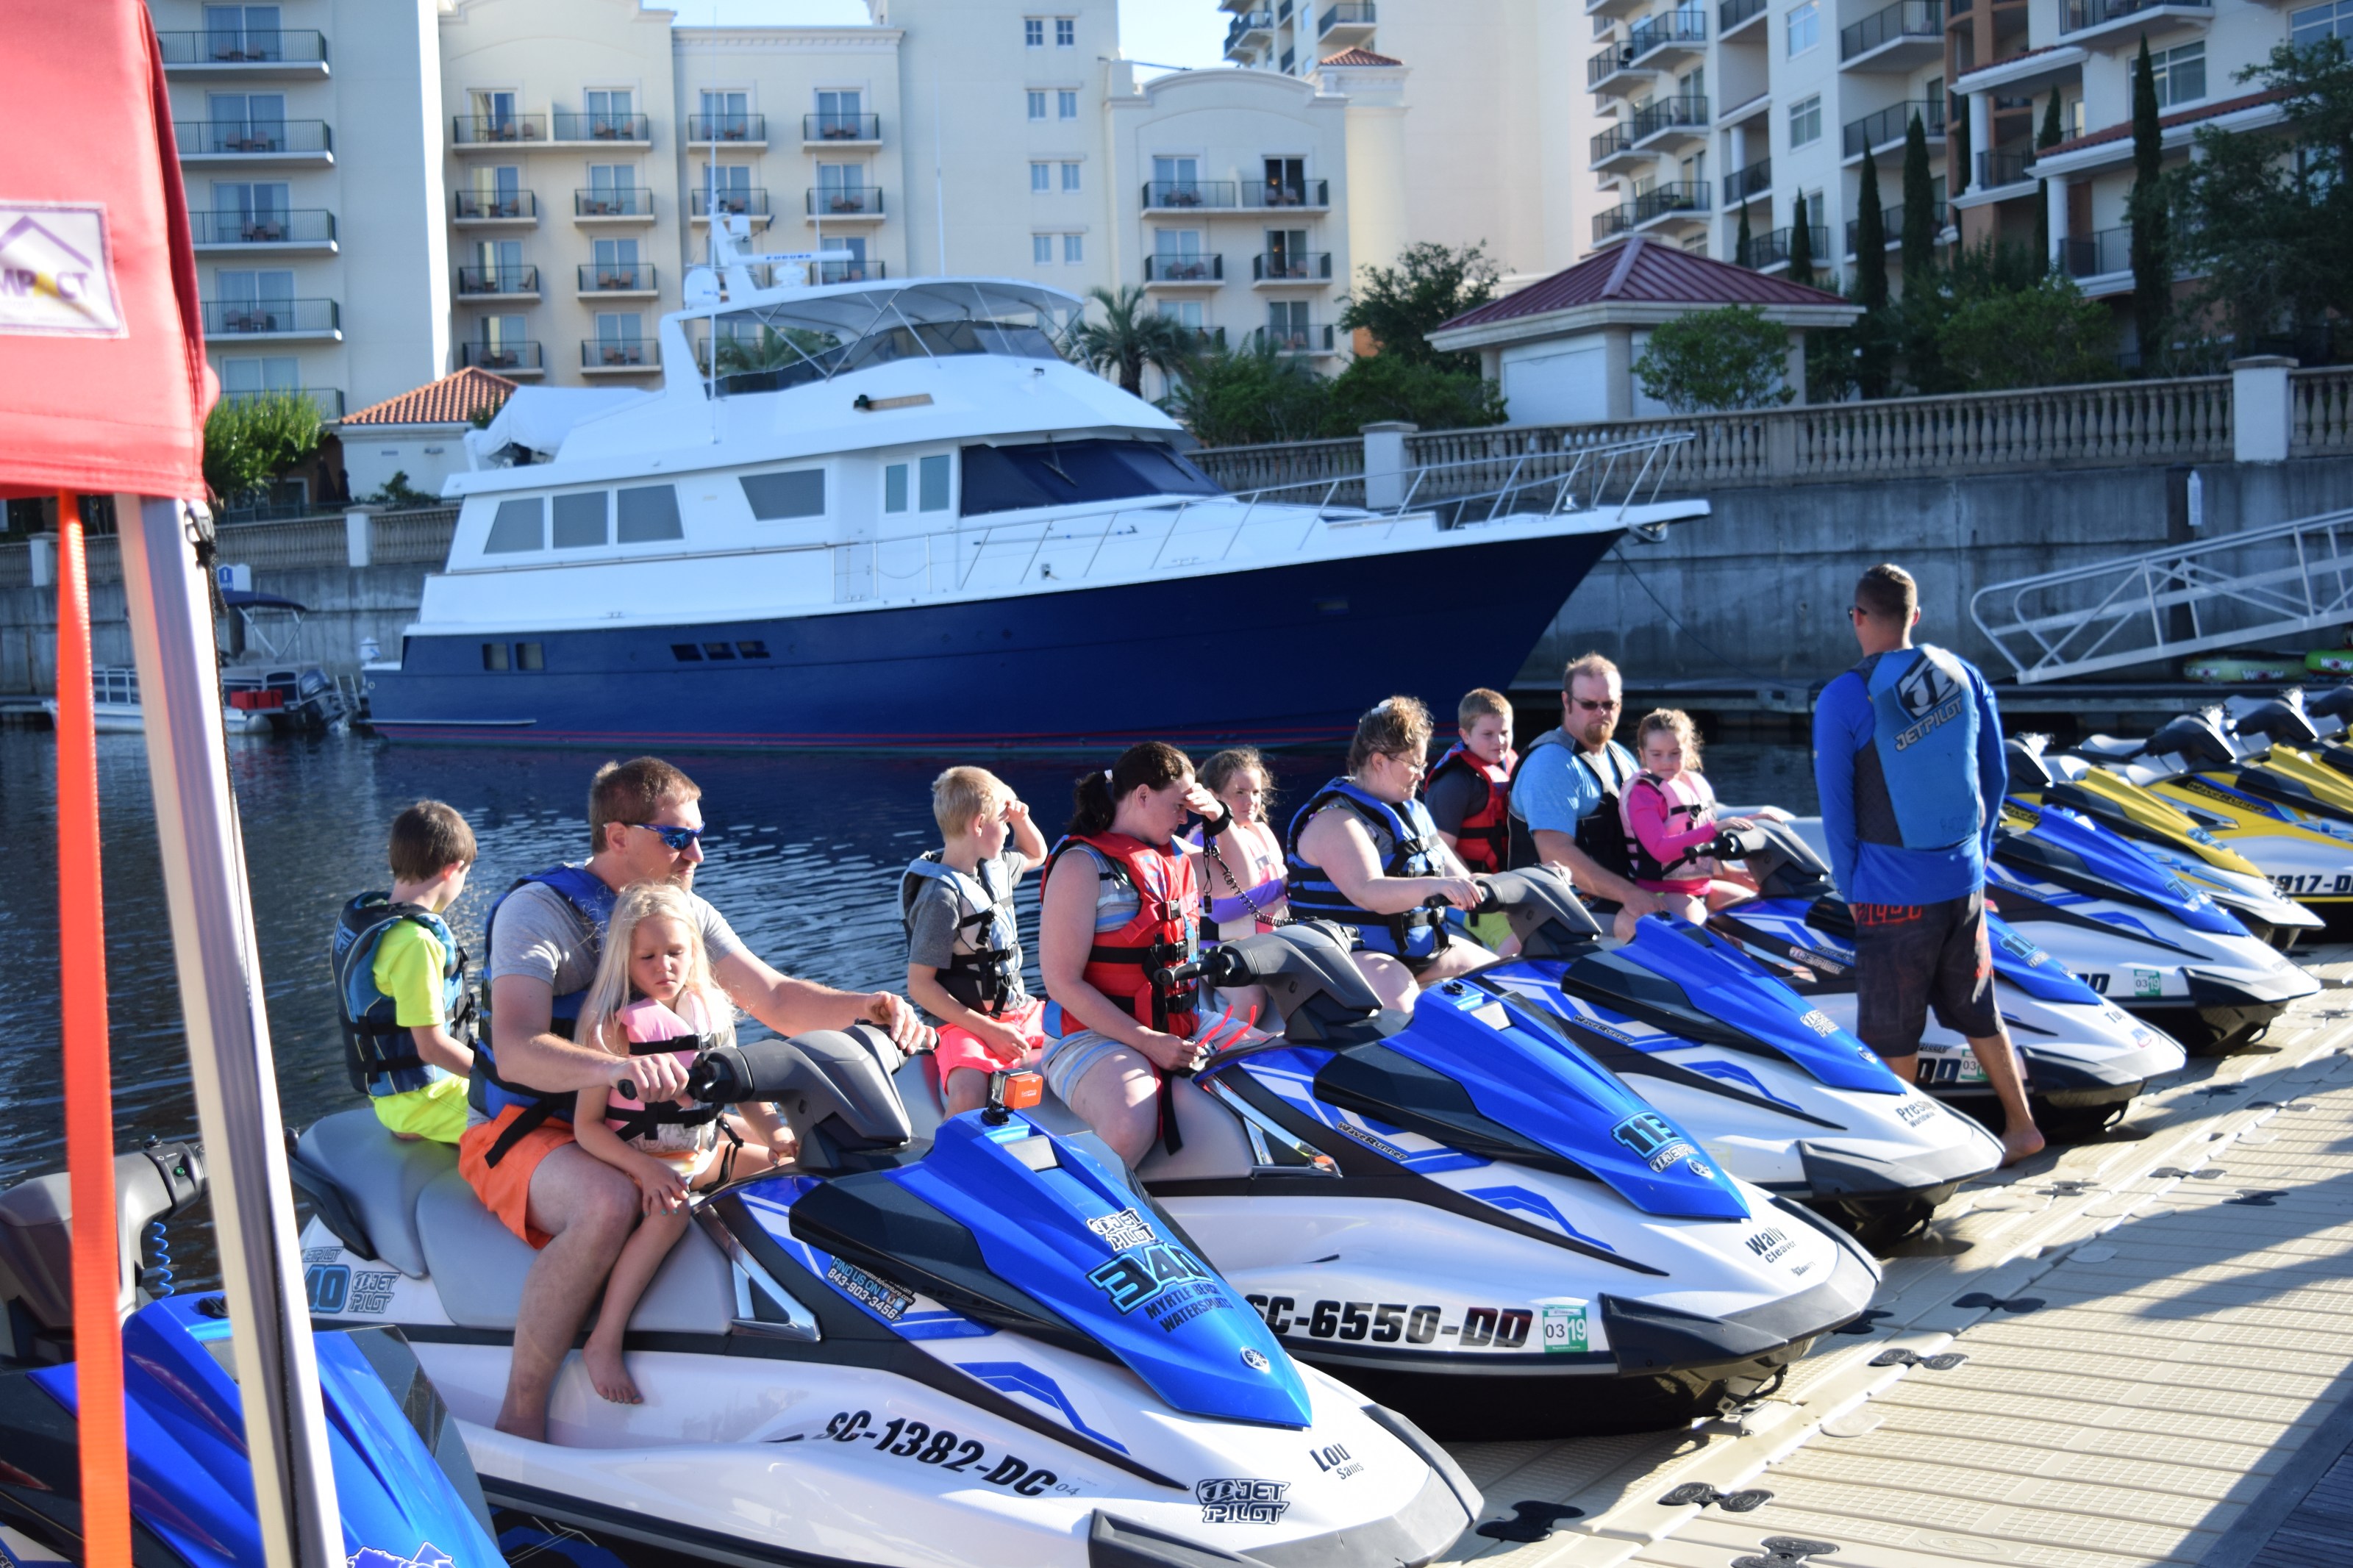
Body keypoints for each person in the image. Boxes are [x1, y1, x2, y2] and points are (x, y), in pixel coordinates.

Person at [467, 756, 930, 1442]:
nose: (697, 854)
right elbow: (516, 1046)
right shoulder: (537, 914)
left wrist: (869, 1005)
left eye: (698, 836)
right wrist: (618, 1069)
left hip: (654, 1122)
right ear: (618, 836)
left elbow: (775, 999)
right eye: (678, 837)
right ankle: (522, 1413)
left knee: (808, 1165)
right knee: (609, 1202)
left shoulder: (683, 914)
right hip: (538, 1124)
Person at [1815, 563, 2043, 1165]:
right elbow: (1995, 776)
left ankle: (1911, 1158)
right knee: (1977, 1007)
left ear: (1857, 617)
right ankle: (2022, 1125)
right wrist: (1977, 855)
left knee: (1892, 1030)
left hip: (1891, 893)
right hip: (1962, 881)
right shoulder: (1966, 675)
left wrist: (1852, 888)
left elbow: (1838, 811)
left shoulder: (1845, 695)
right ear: (1916, 616)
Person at [569, 881, 791, 1405]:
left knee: (793, 1171)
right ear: (625, 960)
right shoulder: (611, 1028)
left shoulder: (709, 1012)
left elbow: (743, 1095)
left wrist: (779, 1135)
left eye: (675, 952)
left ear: (694, 950)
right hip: (638, 1164)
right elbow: (587, 1127)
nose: (664, 966)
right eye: (647, 956)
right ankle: (605, 1339)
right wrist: (645, 1171)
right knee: (669, 1214)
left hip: (702, 1154)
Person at [1038, 743, 1260, 1166]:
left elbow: (1245, 879)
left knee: (1275, 1064)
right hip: (1091, 1035)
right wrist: (1148, 1042)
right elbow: (1061, 982)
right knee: (1130, 1123)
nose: (1185, 818)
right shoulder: (1081, 864)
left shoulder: (1174, 854)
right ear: (1142, 795)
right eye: (1178, 806)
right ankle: (1078, 1204)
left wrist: (1219, 816)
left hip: (1181, 1023)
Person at [1286, 697, 1489, 1005]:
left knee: (1501, 978)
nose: (1421, 775)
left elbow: (1460, 879)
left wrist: (1521, 884)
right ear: (1379, 761)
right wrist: (1436, 887)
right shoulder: (1336, 820)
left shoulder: (1413, 812)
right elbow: (1368, 892)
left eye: (1423, 765)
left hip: (1421, 951)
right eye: (1414, 765)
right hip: (1351, 953)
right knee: (1406, 1008)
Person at [331, 801, 481, 1145]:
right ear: (453, 869)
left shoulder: (371, 921)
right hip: (426, 1100)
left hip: (398, 1101)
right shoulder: (415, 943)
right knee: (544, 1120)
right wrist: (501, 1079)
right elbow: (431, 1047)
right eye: (466, 875)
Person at [903, 766, 1050, 1117]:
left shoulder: (996, 867)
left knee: (1083, 1035)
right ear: (980, 825)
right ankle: (951, 1151)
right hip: (963, 1024)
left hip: (1019, 1011)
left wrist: (1021, 819)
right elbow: (919, 986)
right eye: (1005, 821)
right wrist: (988, 1030)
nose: (1009, 829)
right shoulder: (941, 898)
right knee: (969, 1092)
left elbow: (1037, 854)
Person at [1506, 653, 1664, 941]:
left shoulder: (1621, 757)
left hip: (1618, 896)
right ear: (1567, 702)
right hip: (1561, 909)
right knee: (1658, 934)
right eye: (1589, 704)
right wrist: (1631, 894)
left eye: (1609, 704)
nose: (1600, 712)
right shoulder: (1552, 765)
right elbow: (1555, 852)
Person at [1619, 709, 1754, 924]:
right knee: (1697, 932)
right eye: (1656, 754)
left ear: (1688, 751)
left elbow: (1706, 840)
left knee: (1759, 908)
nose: (1667, 761)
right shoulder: (1643, 795)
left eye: (1675, 753)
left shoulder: (1692, 783)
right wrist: (1713, 829)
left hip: (1703, 889)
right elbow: (1660, 850)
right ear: (1643, 755)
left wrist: (1756, 820)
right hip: (1663, 894)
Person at [1192, 748, 1288, 1024]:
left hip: (1263, 946)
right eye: (1240, 793)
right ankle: (1214, 1050)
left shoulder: (1261, 832)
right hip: (1215, 949)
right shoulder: (1203, 840)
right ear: (1213, 797)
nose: (1251, 801)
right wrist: (1280, 887)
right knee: (1250, 1001)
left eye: (1256, 792)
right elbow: (1220, 913)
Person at [1424, 688, 1516, 876]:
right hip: (1471, 884)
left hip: (1508, 880)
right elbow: (1440, 850)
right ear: (1465, 735)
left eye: (1505, 732)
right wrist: (1475, 886)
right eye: (1488, 734)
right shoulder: (1454, 782)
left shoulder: (1515, 766)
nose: (1499, 741)